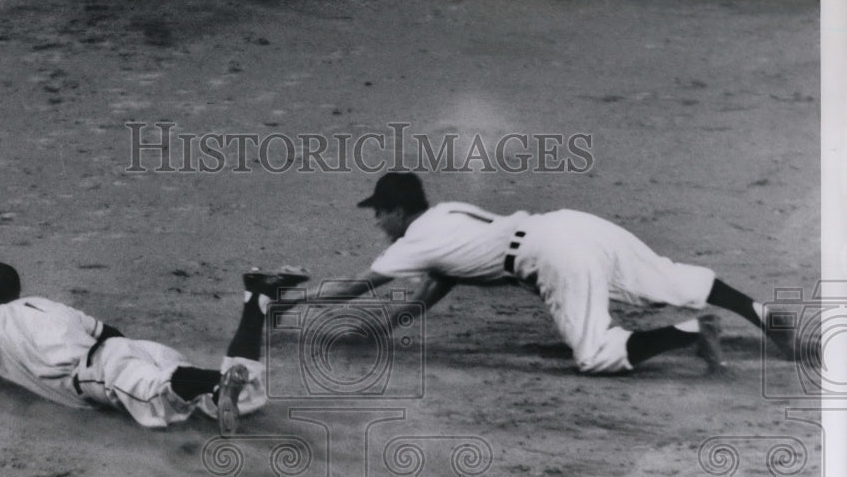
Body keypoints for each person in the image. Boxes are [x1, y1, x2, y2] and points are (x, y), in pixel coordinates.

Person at [280, 172, 796, 375]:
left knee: (594, 356)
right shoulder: (447, 215)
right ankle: (763, 314)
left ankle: (689, 332)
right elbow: (441, 279)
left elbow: (352, 287)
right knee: (666, 277)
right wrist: (391, 326)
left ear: (397, 211)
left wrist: (289, 300)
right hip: (571, 225)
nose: (376, 222)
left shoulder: (412, 241)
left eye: (378, 213)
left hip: (553, 257)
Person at [0, 261, 308, 433]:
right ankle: (255, 299)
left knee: (156, 392)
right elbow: (110, 331)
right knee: (242, 402)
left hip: (99, 372)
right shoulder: (49, 305)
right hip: (133, 350)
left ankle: (214, 382)